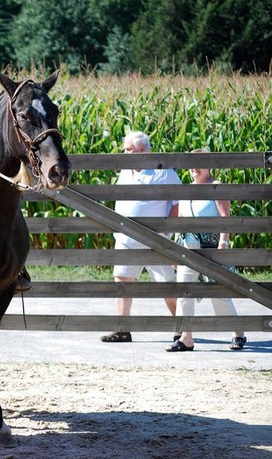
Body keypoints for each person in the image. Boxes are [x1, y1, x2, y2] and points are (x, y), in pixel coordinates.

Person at [101, 131, 181, 343]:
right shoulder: (125, 172)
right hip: (126, 239)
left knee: (167, 284)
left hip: (155, 240)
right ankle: (122, 329)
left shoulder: (164, 172)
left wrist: (168, 233)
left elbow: (177, 204)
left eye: (128, 150)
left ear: (143, 150)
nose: (124, 153)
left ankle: (181, 328)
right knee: (122, 281)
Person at [167, 148, 246, 351]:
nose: (194, 167)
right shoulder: (186, 189)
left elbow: (225, 218)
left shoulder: (216, 187)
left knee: (218, 294)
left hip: (211, 247)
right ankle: (186, 338)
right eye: (191, 163)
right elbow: (181, 222)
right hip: (188, 247)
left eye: (199, 163)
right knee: (184, 291)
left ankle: (238, 332)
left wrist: (223, 244)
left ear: (209, 165)